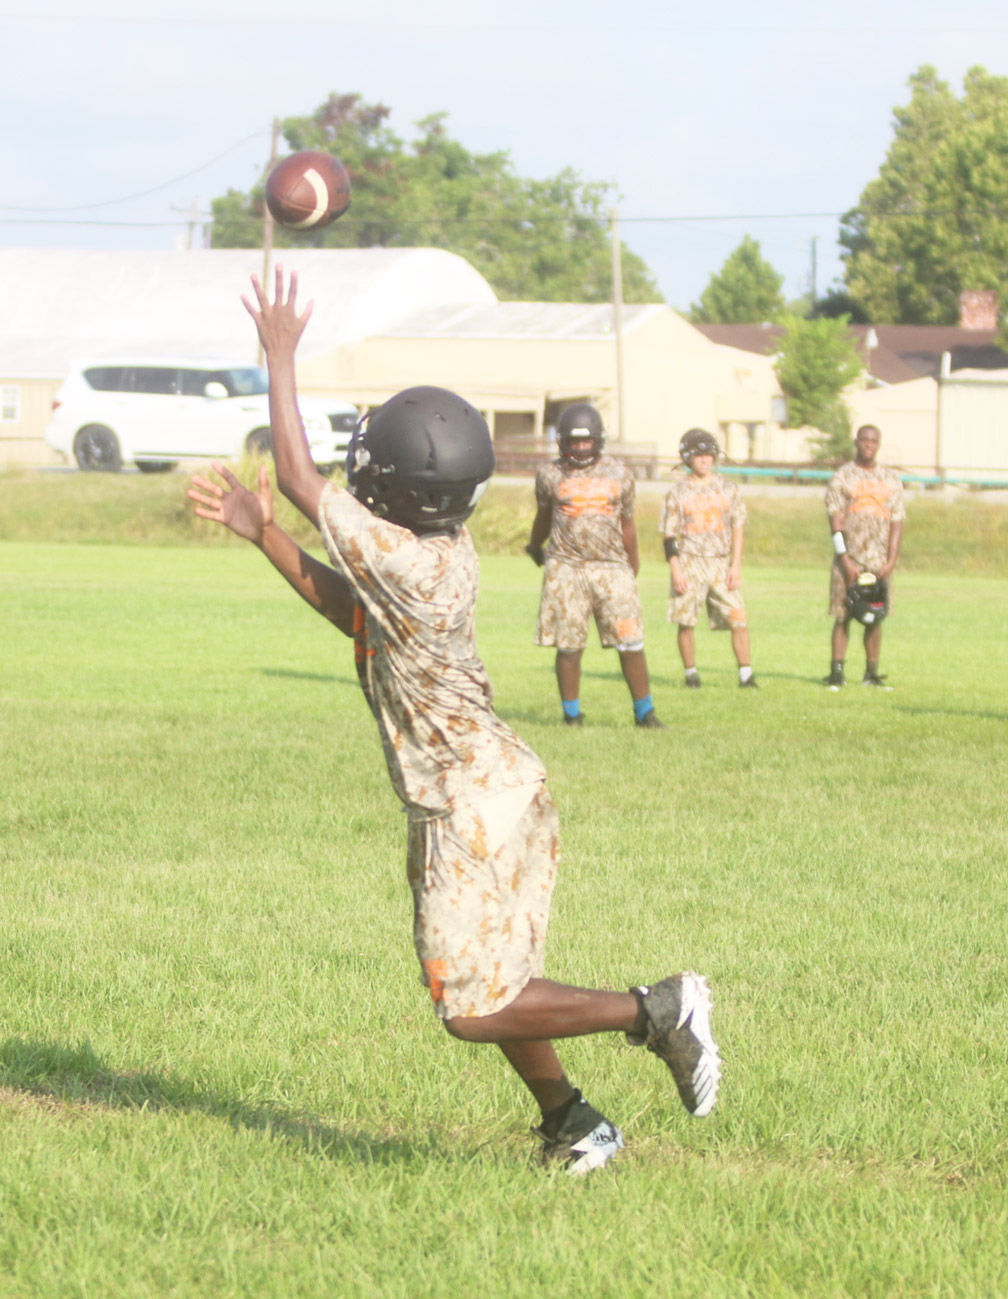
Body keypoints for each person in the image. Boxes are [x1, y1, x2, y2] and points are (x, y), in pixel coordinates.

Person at [186, 268, 720, 1175]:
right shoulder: (438, 550)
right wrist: (267, 535)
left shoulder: (401, 552)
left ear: (396, 487)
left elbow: (293, 472)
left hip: (467, 802)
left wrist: (279, 355)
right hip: (497, 786)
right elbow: (350, 613)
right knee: (496, 986)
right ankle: (575, 1123)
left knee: (470, 1008)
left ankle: (660, 1008)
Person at [525, 403, 665, 728]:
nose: (580, 448)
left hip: (612, 566)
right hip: (567, 567)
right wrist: (534, 546)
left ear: (598, 441)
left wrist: (632, 566)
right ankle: (571, 715)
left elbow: (627, 524)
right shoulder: (550, 474)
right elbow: (543, 517)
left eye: (586, 441)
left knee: (630, 641)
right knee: (569, 645)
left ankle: (645, 713)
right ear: (563, 442)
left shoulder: (620, 473)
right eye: (574, 442)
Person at [660, 429, 757, 689]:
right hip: (690, 561)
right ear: (688, 458)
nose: (704, 460)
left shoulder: (728, 489)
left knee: (738, 617)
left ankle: (746, 674)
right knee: (686, 620)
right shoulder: (678, 492)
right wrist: (676, 569)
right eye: (698, 455)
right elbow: (669, 534)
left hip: (720, 561)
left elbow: (738, 526)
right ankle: (691, 673)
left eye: (708, 455)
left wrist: (736, 565)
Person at [824, 424, 905, 689]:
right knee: (843, 615)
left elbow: (897, 521)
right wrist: (844, 559)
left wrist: (891, 560)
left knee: (875, 615)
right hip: (851, 558)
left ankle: (871, 673)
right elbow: (835, 521)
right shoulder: (842, 477)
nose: (868, 444)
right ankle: (837, 672)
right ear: (856, 442)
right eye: (864, 440)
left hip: (878, 559)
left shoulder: (891, 479)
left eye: (873, 440)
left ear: (878, 444)